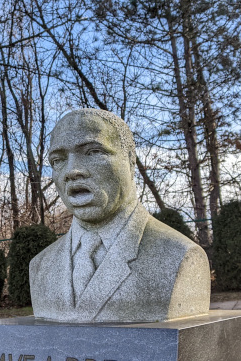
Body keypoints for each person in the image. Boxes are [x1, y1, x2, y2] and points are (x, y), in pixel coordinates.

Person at [29, 109, 210, 322]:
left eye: (93, 152)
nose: (72, 171)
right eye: (58, 160)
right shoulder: (40, 266)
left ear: (131, 161)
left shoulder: (179, 256)